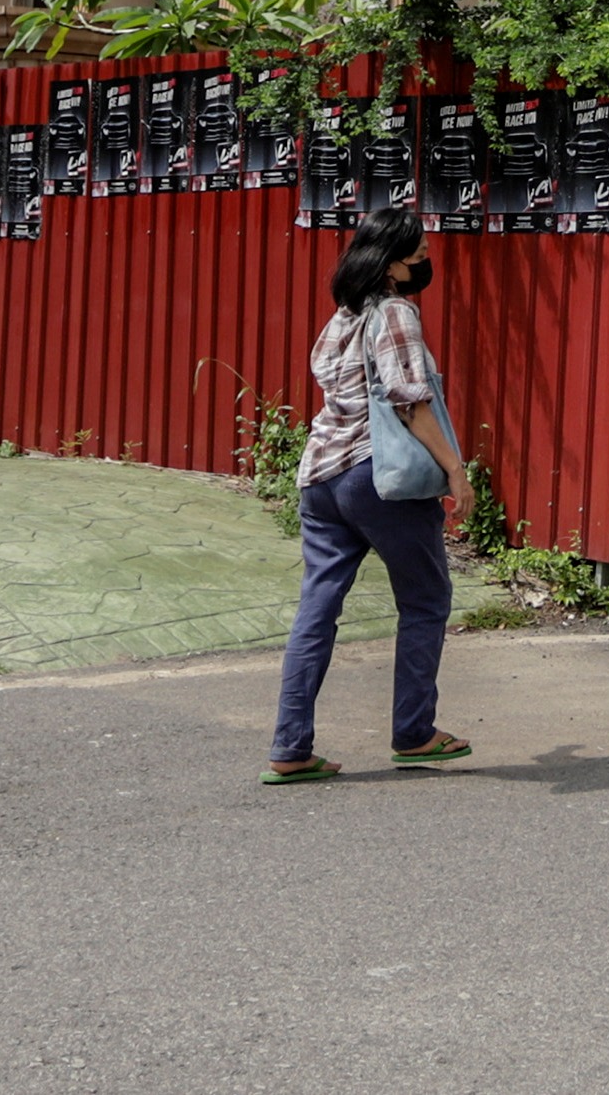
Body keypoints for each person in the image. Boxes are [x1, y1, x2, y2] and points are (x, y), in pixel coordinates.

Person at [263, 204, 470, 785]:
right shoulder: (395, 312)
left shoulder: (341, 318)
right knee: (426, 598)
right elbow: (409, 401)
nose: (428, 259)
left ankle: (289, 747)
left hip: (320, 477)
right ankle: (414, 733)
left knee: (317, 610)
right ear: (392, 265)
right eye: (420, 253)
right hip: (375, 476)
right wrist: (456, 470)